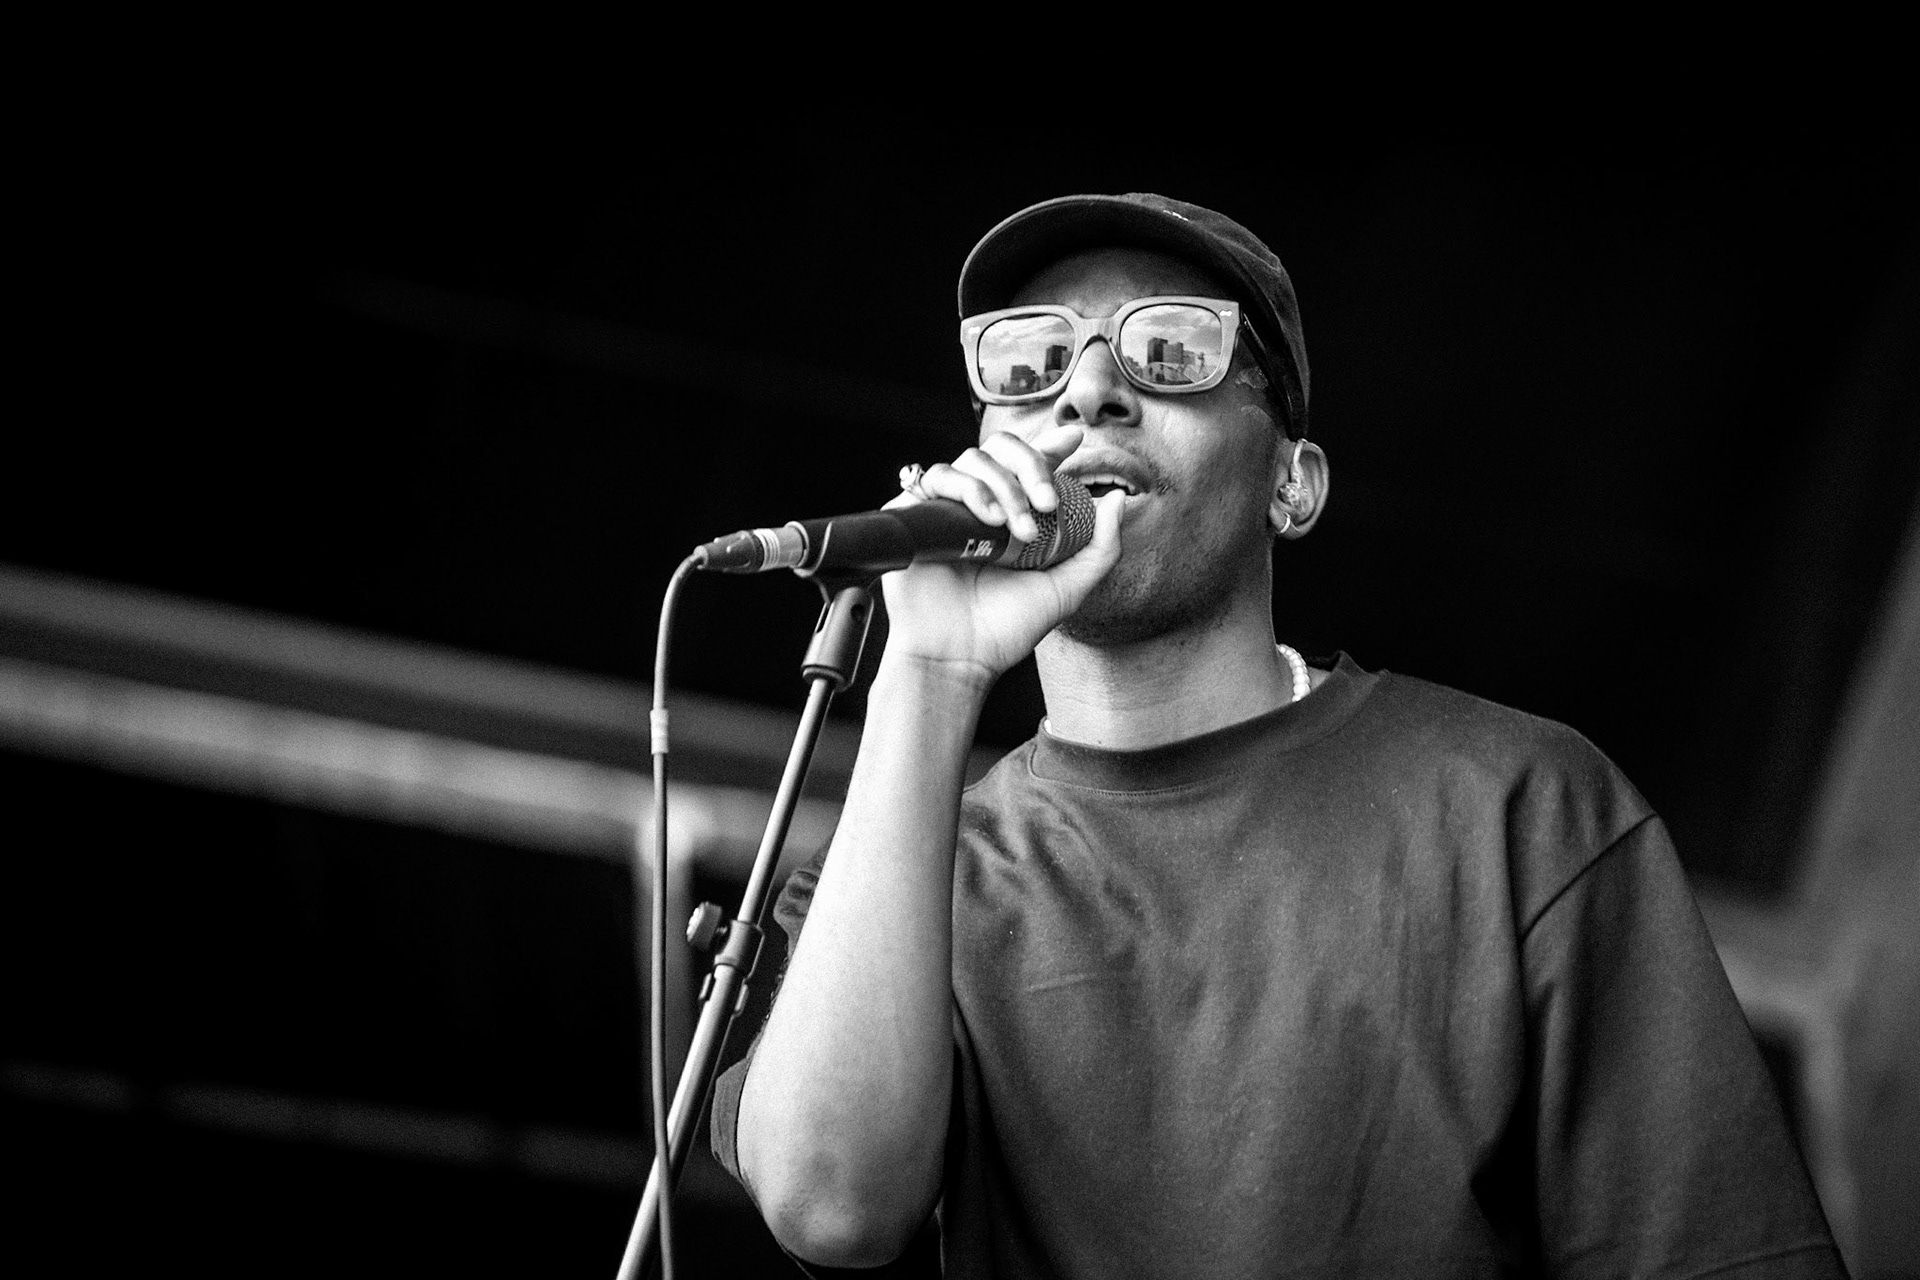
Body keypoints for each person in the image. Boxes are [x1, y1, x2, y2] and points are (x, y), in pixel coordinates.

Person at [708, 193, 1844, 1277]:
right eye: (1029, 359)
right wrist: (929, 668)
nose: (1088, 391)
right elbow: (832, 1205)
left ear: (1292, 487)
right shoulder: (888, 885)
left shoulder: (1520, 806)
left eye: (1170, 350)